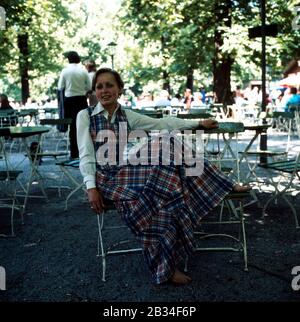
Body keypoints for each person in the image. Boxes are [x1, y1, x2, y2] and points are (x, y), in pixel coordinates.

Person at [77, 68, 250, 285]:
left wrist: (197, 124)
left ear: (119, 89)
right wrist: (91, 187)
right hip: (107, 181)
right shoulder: (85, 116)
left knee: (168, 153)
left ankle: (168, 265)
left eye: (109, 85)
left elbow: (162, 124)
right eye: (99, 86)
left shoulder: (125, 114)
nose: (104, 90)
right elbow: (85, 155)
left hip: (126, 173)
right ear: (94, 90)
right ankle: (166, 266)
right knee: (162, 187)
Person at [58, 51, 91, 159]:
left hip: (69, 101)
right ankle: (83, 152)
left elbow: (60, 87)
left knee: (72, 128)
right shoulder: (83, 71)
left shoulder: (65, 71)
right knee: (83, 126)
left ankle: (74, 154)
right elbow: (89, 87)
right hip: (81, 100)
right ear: (78, 59)